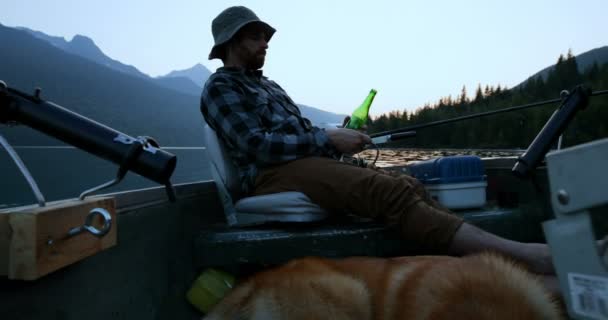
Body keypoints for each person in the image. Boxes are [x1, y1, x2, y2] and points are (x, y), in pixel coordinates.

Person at [200, 6, 556, 280]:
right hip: (267, 176)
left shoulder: (270, 86)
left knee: (407, 184)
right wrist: (327, 138)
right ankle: (525, 257)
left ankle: (495, 273)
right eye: (257, 36)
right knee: (387, 193)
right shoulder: (221, 88)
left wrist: (339, 137)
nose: (266, 43)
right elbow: (257, 145)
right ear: (233, 42)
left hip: (303, 167)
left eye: (266, 36)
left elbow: (300, 133)